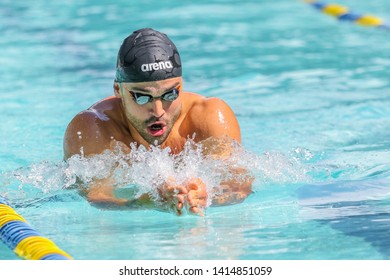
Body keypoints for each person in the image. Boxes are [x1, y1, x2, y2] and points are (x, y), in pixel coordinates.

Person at [63, 28, 253, 216]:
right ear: (117, 90)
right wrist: (144, 201)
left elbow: (239, 186)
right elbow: (95, 196)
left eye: (169, 94)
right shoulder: (93, 128)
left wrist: (208, 195)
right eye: (142, 97)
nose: (158, 111)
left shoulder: (209, 116)